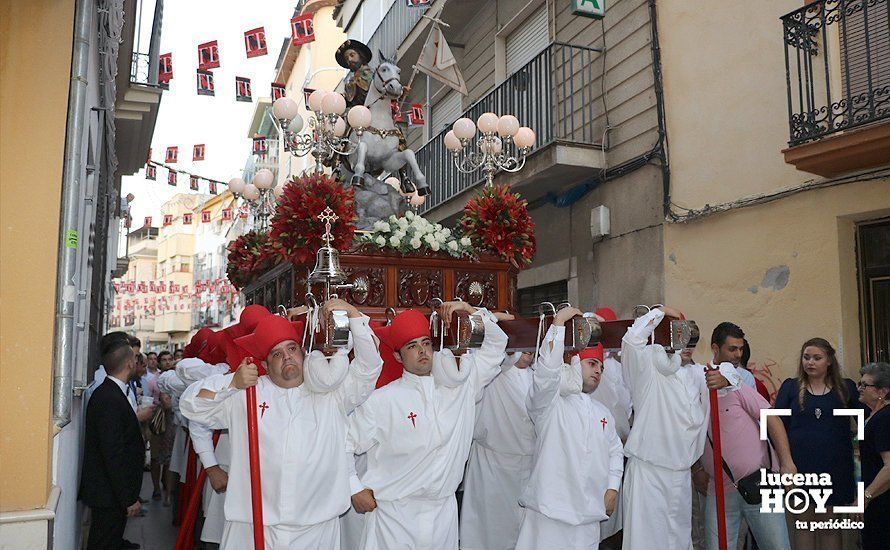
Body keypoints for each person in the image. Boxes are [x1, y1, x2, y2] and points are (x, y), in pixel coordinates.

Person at [181, 298, 382, 548]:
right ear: (265, 364)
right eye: (276, 353)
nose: (286, 357)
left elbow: (369, 367)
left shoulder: (332, 393)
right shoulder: (246, 394)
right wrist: (232, 383)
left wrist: (352, 314)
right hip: (253, 528)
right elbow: (191, 405)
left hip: (316, 529)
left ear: (303, 353)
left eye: (291, 349)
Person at [347, 302, 509, 550]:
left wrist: (468, 310)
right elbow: (341, 441)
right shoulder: (382, 401)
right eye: (412, 346)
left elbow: (497, 344)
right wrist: (353, 486)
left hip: (443, 515)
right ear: (398, 356)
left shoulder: (462, 386)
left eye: (426, 343)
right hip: (394, 519)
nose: (422, 351)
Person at [620, 307, 741, 550]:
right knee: (645, 542)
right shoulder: (646, 369)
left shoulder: (696, 374)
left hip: (680, 477)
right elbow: (631, 340)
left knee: (677, 542)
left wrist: (725, 378)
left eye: (690, 339)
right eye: (679, 336)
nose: (686, 345)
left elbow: (729, 372)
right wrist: (659, 313)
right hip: (649, 473)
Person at [515, 307, 624, 549]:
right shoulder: (550, 404)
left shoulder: (602, 414)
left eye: (601, 368)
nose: (598, 370)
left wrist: (612, 487)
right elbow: (546, 376)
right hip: (549, 517)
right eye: (592, 363)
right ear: (574, 363)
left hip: (587, 520)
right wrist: (558, 325)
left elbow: (615, 451)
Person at [697, 334, 797, 550]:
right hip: (719, 491)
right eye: (732, 349)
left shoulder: (739, 387)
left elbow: (772, 419)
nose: (738, 355)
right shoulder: (696, 391)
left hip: (760, 484)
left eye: (740, 350)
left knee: (777, 546)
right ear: (715, 348)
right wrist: (696, 469)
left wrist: (787, 463)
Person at [774, 338, 860, 550]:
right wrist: (784, 466)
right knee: (804, 525)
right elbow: (776, 429)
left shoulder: (845, 388)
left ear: (829, 360)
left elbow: (868, 421)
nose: (810, 362)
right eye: (806, 357)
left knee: (829, 526)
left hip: (835, 469)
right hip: (800, 468)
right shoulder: (791, 387)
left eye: (817, 358)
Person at [80, 337, 154, 549]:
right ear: (130, 363)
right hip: (108, 495)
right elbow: (113, 454)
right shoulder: (109, 399)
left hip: (111, 493)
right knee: (105, 543)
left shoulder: (111, 393)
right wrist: (128, 498)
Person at [460, 352, 535, 550]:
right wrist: (511, 348)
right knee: (488, 535)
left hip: (530, 468)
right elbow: (495, 360)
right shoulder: (494, 371)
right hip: (491, 468)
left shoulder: (539, 376)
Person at [856, 362, 890, 550]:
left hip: (882, 502)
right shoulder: (871, 416)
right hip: (876, 500)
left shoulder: (884, 419)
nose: (859, 389)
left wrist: (865, 497)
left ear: (882, 391)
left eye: (865, 385)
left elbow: (889, 466)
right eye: (859, 383)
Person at [335, 39, 374, 108]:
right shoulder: (350, 83)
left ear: (360, 54)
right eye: (347, 59)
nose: (349, 60)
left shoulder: (374, 75)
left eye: (352, 55)